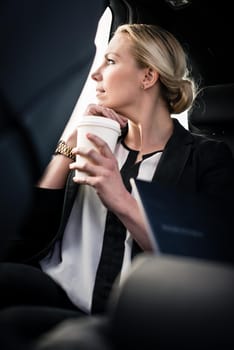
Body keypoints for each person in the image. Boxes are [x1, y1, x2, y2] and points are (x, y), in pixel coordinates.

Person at [0, 23, 234, 349]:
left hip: (137, 313)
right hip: (55, 288)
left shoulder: (207, 158)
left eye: (110, 61)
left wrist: (120, 197)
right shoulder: (96, 141)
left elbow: (205, 268)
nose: (95, 74)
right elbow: (26, 237)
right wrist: (69, 144)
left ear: (147, 76)